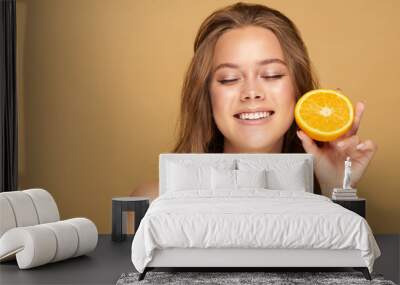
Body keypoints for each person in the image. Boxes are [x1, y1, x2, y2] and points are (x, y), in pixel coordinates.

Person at [131, 2, 377, 199]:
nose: (251, 92)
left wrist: (336, 189)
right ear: (206, 96)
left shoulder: (325, 196)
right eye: (228, 79)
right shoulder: (153, 201)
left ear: (298, 90)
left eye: (272, 75)